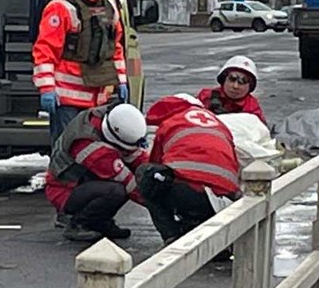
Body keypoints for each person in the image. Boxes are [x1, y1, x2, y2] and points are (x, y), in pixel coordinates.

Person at [33, 0, 128, 143]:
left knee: (96, 154)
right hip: (67, 100)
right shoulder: (61, 7)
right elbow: (45, 52)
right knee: (68, 152)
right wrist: (47, 89)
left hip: (99, 98)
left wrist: (122, 81)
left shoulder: (108, 7)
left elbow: (114, 48)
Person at [138, 93, 241, 250]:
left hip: (189, 195)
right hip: (227, 196)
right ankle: (198, 226)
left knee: (147, 176)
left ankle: (172, 235)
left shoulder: (171, 122)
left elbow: (155, 164)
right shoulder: (219, 123)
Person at [45, 103, 150, 242]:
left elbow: (137, 158)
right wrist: (162, 207)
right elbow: (130, 183)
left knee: (116, 188)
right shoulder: (90, 146)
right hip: (64, 190)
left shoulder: (106, 120)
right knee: (116, 190)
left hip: (83, 182)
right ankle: (79, 224)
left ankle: (100, 223)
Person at [197, 55, 266, 125]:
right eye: (232, 79)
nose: (235, 86)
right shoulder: (205, 96)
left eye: (243, 81)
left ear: (250, 86)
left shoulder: (252, 110)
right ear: (224, 79)